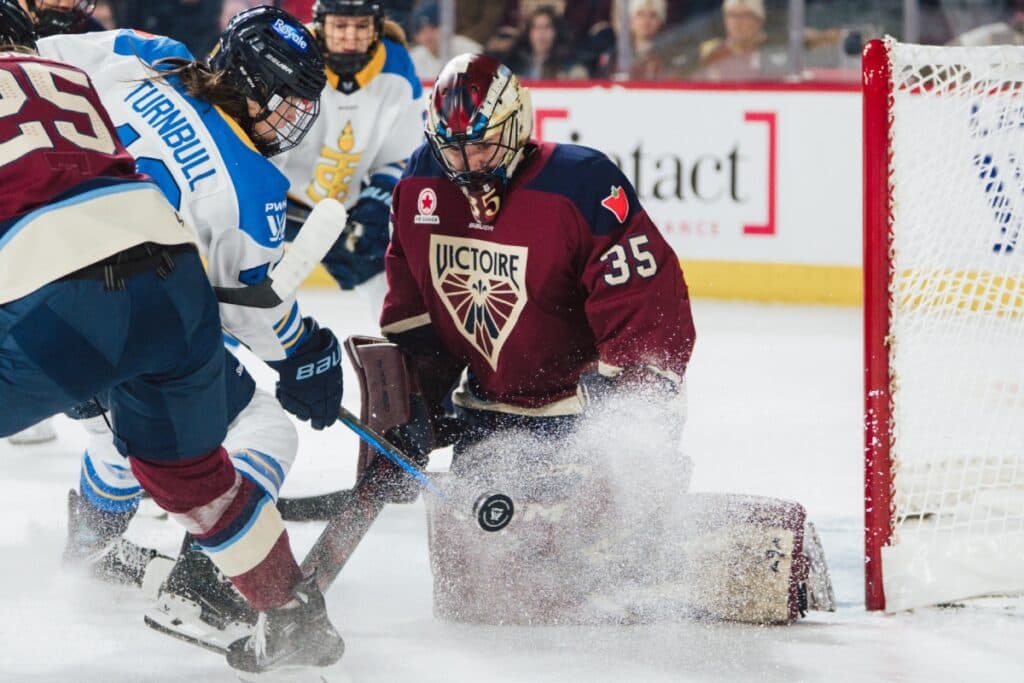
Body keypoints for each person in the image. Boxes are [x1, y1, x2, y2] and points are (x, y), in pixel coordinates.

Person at [0, 1, 343, 676]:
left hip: (57, 303)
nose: (292, 121)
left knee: (106, 415)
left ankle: (96, 548)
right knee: (209, 453)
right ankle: (280, 603)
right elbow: (248, 309)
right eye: (287, 103)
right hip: (170, 298)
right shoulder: (245, 174)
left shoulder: (133, 57)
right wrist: (304, 352)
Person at [378, 50, 695, 496]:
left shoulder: (581, 183)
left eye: (483, 145)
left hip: (581, 416)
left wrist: (622, 430)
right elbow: (416, 320)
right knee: (480, 562)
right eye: (453, 150)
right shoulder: (419, 187)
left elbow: (644, 307)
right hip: (485, 418)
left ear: (516, 125)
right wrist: (414, 409)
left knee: (600, 555)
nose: (469, 165)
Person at [274, 0, 422, 301]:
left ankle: (399, 344)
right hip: (280, 204)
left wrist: (378, 199)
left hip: (346, 211)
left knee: (386, 282)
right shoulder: (288, 57)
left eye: (361, 26)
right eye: (341, 26)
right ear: (320, 24)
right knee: (247, 291)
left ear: (376, 26)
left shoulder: (396, 66)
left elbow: (402, 153)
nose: (351, 36)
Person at [408, 1, 481, 81]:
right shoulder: (413, 58)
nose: (428, 36)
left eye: (433, 28)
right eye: (422, 31)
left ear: (446, 28)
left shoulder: (469, 50)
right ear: (416, 36)